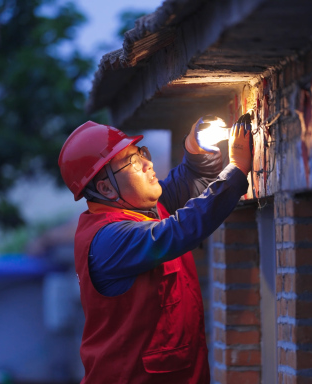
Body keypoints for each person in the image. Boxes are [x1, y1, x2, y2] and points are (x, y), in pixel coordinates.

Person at [58, 113, 253, 383]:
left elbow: (186, 184)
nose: (148, 164)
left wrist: (195, 151)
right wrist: (237, 172)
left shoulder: (144, 211)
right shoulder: (107, 239)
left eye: (141, 153)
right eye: (133, 162)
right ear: (105, 188)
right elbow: (178, 230)